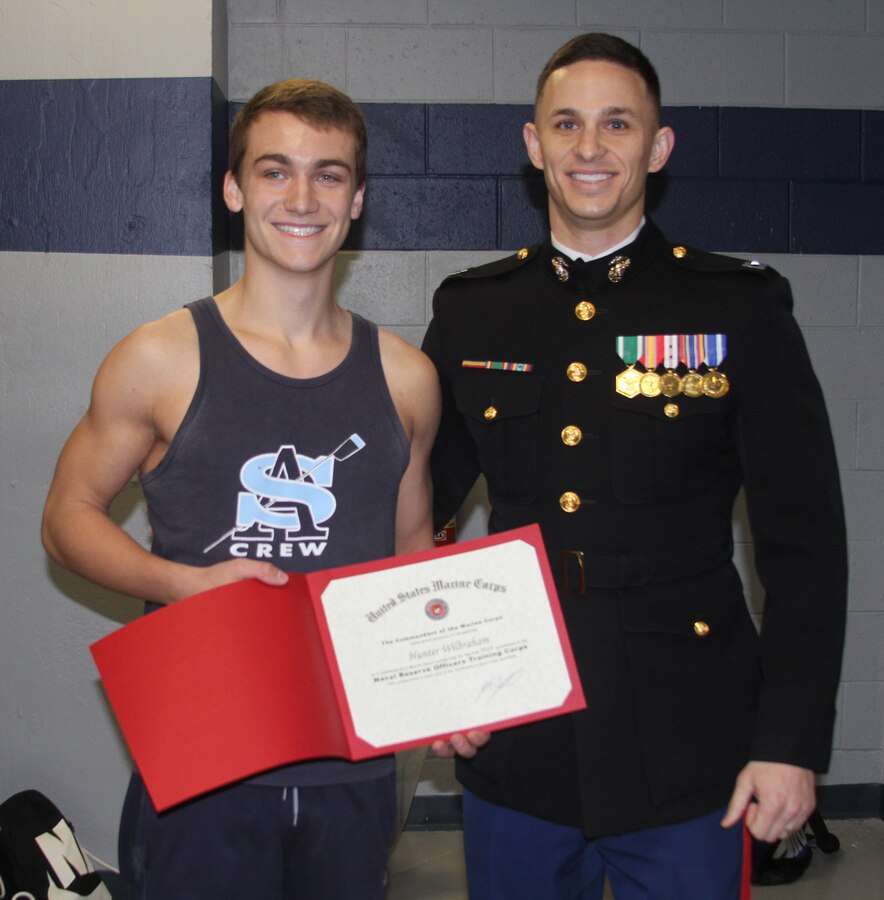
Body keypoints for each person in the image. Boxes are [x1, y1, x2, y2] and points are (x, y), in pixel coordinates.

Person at [423, 33, 847, 899]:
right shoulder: (474, 313)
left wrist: (791, 743)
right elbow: (417, 511)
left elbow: (805, 548)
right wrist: (435, 681)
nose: (589, 148)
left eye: (617, 124)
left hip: (690, 741)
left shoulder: (738, 307)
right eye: (567, 124)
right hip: (519, 736)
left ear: (657, 148)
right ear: (533, 144)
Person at [42, 78, 440, 899]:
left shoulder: (406, 379)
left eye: (329, 175)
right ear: (233, 189)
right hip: (200, 760)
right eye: (274, 170)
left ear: (357, 199)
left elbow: (409, 554)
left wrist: (441, 685)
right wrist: (185, 584)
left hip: (350, 764)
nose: (302, 197)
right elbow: (65, 521)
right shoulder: (160, 357)